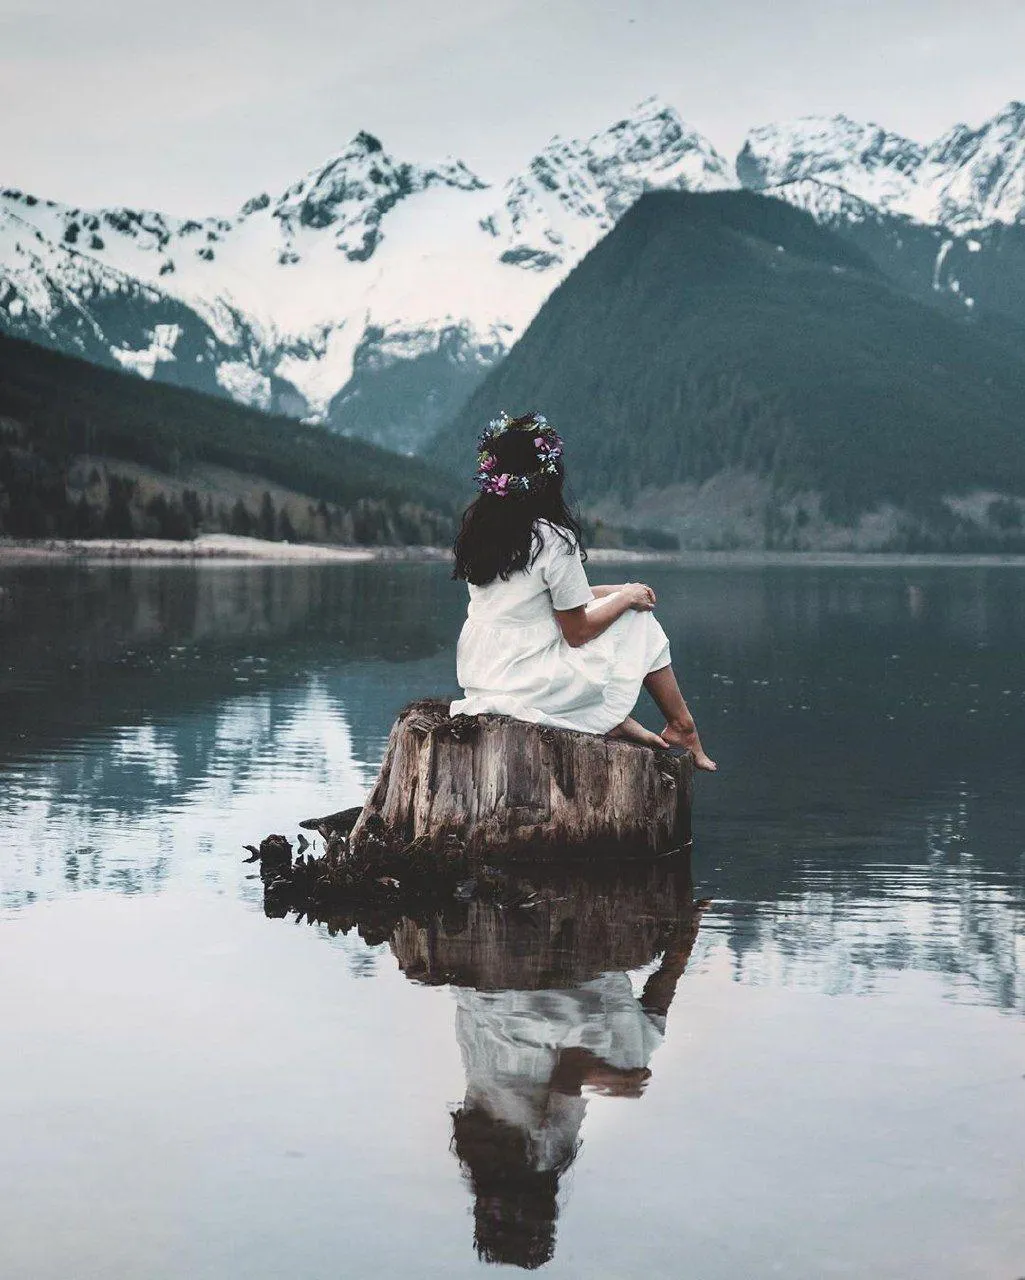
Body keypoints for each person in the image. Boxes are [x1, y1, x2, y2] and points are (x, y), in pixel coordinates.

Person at [450, 409, 716, 769]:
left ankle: (614, 720)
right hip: (530, 680)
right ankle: (682, 726)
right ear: (546, 478)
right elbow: (576, 632)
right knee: (638, 621)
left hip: (483, 676)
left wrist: (617, 591)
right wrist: (626, 599)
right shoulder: (552, 539)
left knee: (627, 603)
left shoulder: (478, 531)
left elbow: (534, 601)